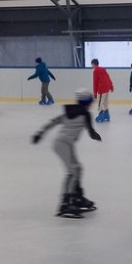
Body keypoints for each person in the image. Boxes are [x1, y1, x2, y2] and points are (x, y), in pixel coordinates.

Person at [32, 88, 102, 218]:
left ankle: (76, 196)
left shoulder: (70, 111)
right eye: (91, 101)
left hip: (64, 144)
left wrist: (40, 133)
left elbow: (53, 122)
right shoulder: (85, 115)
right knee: (73, 171)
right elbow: (91, 132)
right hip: (62, 144)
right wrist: (95, 135)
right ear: (87, 102)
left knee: (78, 169)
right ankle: (65, 203)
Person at [91, 58, 114, 122]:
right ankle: (107, 115)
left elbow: (95, 82)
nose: (92, 66)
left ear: (94, 64)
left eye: (92, 64)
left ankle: (101, 116)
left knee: (99, 103)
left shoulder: (95, 71)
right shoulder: (103, 70)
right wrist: (111, 86)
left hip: (101, 89)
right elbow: (108, 78)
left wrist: (95, 93)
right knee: (105, 102)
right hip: (107, 88)